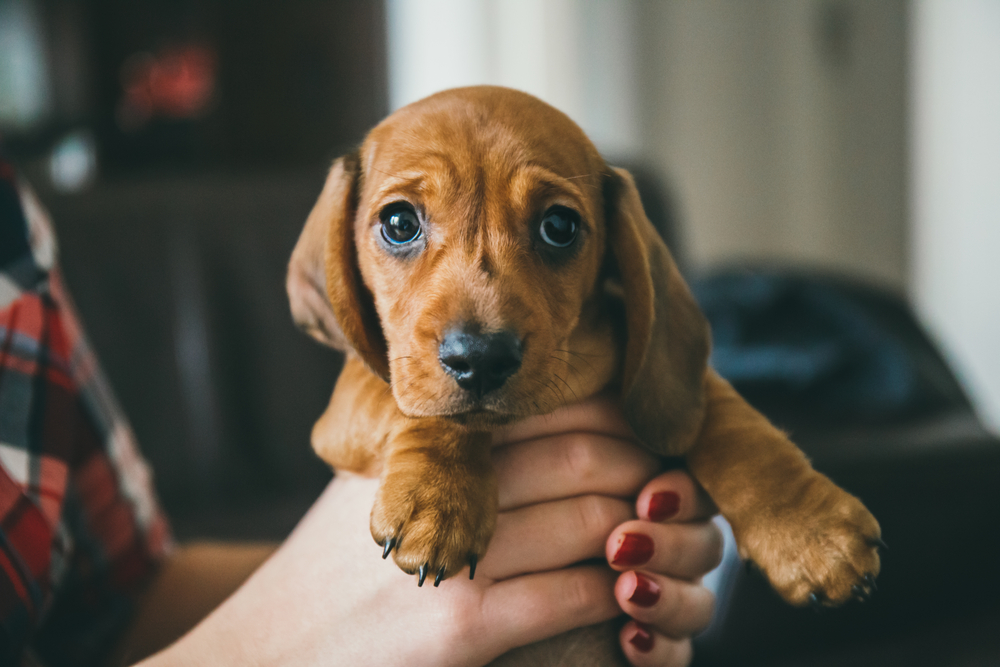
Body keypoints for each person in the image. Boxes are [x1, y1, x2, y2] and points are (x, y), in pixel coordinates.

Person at [0, 154, 722, 666]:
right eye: (401, 222)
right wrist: (282, 646)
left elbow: (119, 606)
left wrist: (535, 579)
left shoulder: (12, 220)